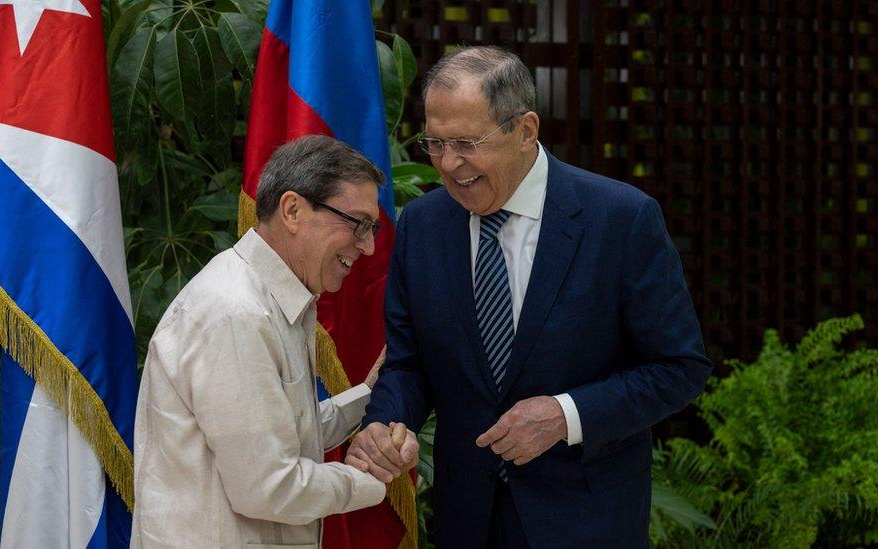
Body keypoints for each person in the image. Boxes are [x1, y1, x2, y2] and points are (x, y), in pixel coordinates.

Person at [345, 46, 713, 547]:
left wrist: (566, 416)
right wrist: (384, 424)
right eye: (435, 143)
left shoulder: (621, 220)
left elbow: (679, 367)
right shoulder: (422, 225)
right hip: (468, 520)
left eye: (467, 143)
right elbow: (409, 364)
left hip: (586, 521)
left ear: (525, 130)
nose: (449, 165)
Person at [131, 135, 389, 548]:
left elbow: (280, 432)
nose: (369, 245)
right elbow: (270, 486)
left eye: (371, 227)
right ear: (292, 210)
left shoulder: (267, 299)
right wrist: (371, 480)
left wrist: (369, 396)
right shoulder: (237, 314)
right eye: (357, 223)